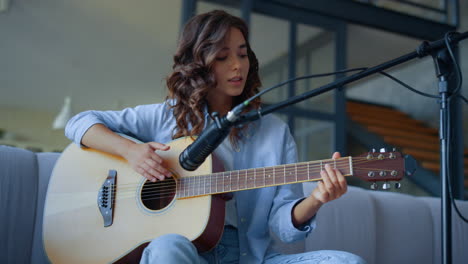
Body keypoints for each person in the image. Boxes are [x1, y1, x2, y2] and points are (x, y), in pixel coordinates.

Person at [65, 9, 366, 264]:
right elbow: (80, 123)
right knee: (167, 246)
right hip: (185, 253)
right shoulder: (166, 115)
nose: (238, 66)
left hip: (251, 256)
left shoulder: (275, 132)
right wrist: (131, 151)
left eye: (243, 54)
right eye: (222, 57)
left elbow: (281, 227)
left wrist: (316, 199)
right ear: (198, 63)